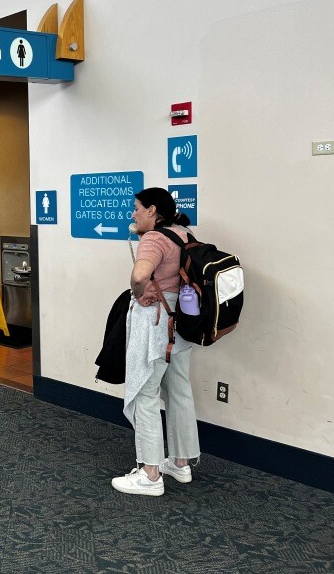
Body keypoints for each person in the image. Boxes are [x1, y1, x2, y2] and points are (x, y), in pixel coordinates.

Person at [111, 187, 199, 496]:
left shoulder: (154, 238)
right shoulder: (183, 234)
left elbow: (139, 275)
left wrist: (138, 291)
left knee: (145, 393)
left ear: (152, 210)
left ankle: (150, 474)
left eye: (136, 208)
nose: (133, 214)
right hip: (182, 321)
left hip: (156, 322)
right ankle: (180, 462)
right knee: (179, 390)